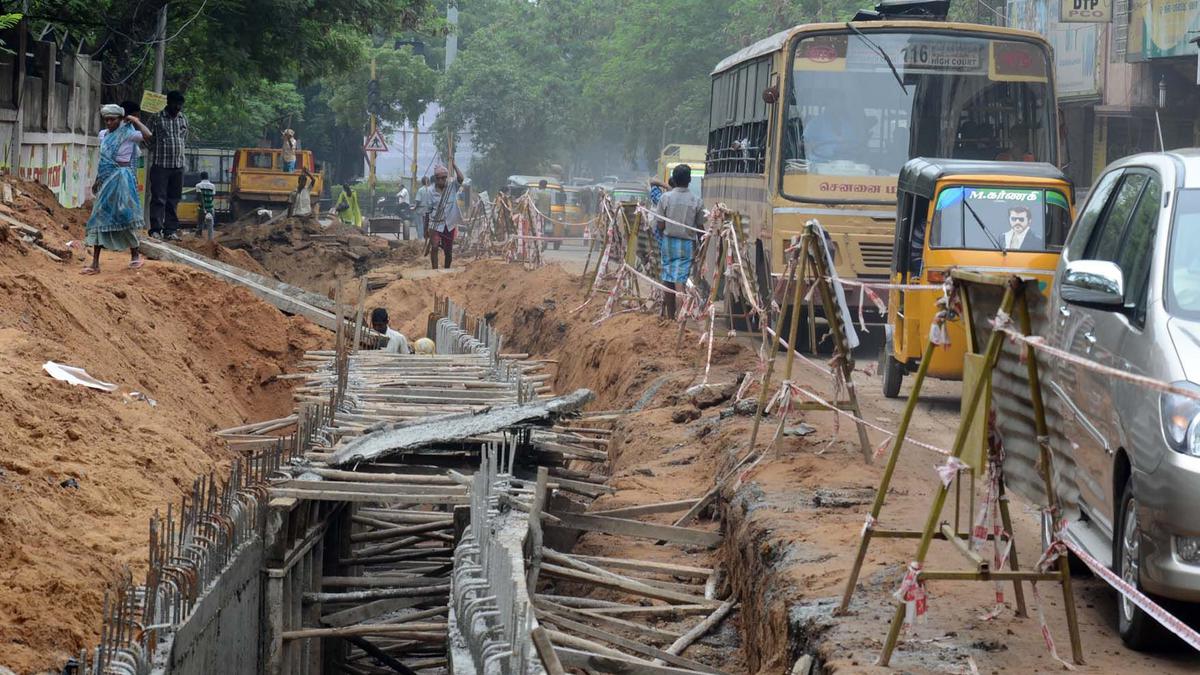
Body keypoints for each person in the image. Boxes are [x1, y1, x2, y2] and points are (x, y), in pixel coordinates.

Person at [81, 104, 153, 275]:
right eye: (106, 119)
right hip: (106, 179)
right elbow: (103, 160)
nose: (108, 122)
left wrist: (135, 120)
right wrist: (97, 180)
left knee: (124, 216)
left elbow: (148, 135)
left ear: (120, 119)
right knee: (100, 216)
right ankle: (95, 264)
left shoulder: (129, 134)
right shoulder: (103, 135)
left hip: (121, 178)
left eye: (112, 119)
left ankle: (135, 257)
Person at [654, 164, 704, 320]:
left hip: (668, 243)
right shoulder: (696, 201)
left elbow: (660, 225)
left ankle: (670, 317)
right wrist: (701, 247)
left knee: (668, 278)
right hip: (686, 245)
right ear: (689, 180)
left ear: (674, 180)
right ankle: (679, 318)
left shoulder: (665, 198)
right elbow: (700, 227)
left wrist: (665, 231)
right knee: (680, 282)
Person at [146, 90, 188, 240]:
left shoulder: (183, 119)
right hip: (161, 165)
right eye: (175, 104)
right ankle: (156, 229)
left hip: (178, 165)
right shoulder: (157, 118)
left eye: (180, 105)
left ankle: (170, 231)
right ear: (168, 103)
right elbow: (147, 139)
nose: (178, 108)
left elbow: (184, 138)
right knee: (158, 198)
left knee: (174, 199)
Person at [424, 163, 467, 270]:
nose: (442, 180)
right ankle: (434, 270)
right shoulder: (430, 191)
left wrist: (454, 165)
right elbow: (427, 212)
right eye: (439, 178)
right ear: (436, 178)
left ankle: (447, 270)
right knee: (434, 247)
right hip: (435, 223)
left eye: (444, 178)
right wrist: (426, 229)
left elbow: (461, 178)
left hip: (449, 224)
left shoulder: (452, 186)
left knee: (448, 251)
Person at [531, 179, 553, 250]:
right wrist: (549, 216)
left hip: (538, 214)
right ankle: (544, 244)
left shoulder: (537, 193)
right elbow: (549, 207)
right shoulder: (549, 194)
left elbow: (535, 204)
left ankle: (538, 244)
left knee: (537, 229)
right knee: (544, 230)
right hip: (546, 214)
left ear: (540, 185)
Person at [195, 171, 216, 240]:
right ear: (208, 177)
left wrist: (204, 208)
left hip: (202, 208)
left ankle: (198, 239)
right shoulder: (212, 186)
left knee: (200, 224)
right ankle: (210, 240)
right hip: (210, 208)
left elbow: (199, 197)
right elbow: (212, 197)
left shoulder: (198, 185)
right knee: (210, 225)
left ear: (201, 177)